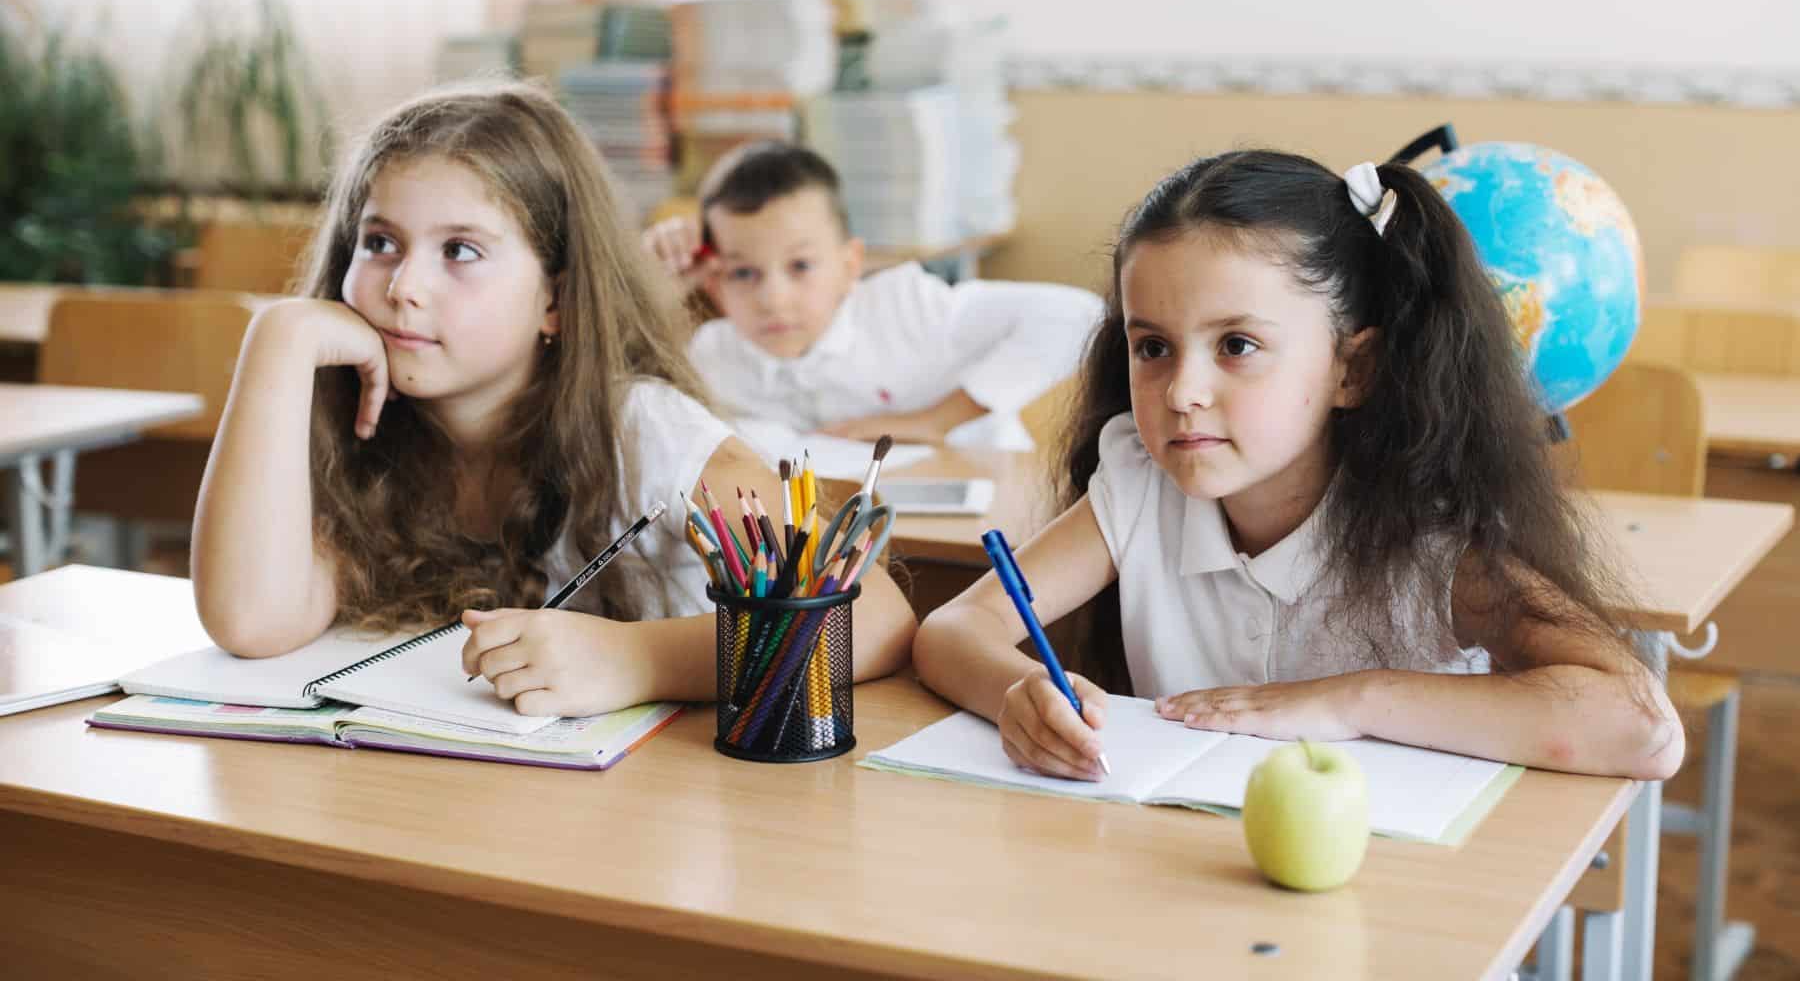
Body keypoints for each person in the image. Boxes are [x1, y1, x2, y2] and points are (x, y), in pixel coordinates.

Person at [912, 149, 1682, 782]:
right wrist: (1021, 688)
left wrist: (1351, 701)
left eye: (1237, 346)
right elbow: (954, 627)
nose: (1182, 391)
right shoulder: (1140, 488)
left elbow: (1642, 729)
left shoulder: (1429, 534)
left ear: (1355, 369)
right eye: (1152, 347)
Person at [192, 82, 915, 715]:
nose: (403, 287)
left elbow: (876, 618)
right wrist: (278, 341)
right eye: (379, 242)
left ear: (557, 299)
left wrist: (639, 660)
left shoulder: (643, 432)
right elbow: (252, 621)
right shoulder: (360, 433)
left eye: (460, 251)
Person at [642, 141, 1103, 450]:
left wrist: (934, 421)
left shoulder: (907, 308)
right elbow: (615, 387)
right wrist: (656, 279)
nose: (772, 298)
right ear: (712, 279)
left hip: (984, 537)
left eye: (801, 266)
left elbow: (1079, 315)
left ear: (850, 264)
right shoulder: (711, 355)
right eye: (743, 272)